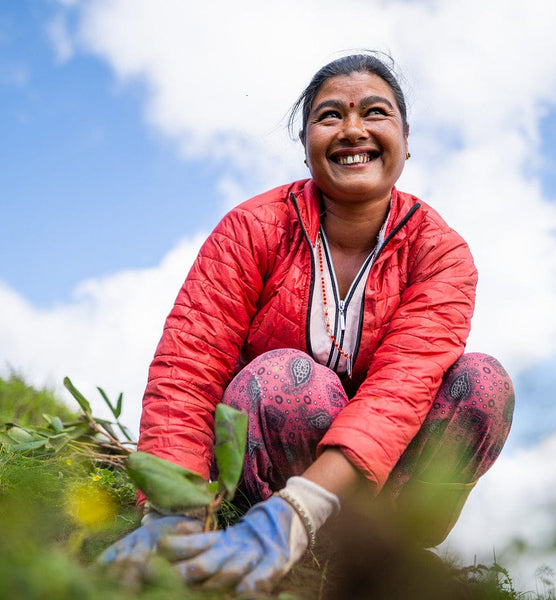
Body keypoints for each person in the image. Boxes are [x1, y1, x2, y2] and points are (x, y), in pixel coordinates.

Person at [99, 53, 515, 594]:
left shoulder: (442, 254)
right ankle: (266, 531)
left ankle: (378, 542)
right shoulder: (253, 227)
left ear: (407, 140)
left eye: (375, 113)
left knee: (482, 383)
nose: (353, 130)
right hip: (266, 478)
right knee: (285, 377)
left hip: (377, 485)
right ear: (305, 143)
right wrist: (172, 507)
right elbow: (189, 363)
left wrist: (304, 506)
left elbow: (400, 389)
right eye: (329, 116)